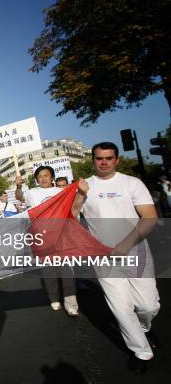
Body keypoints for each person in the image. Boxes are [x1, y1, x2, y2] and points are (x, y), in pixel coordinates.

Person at [72, 142, 160, 373]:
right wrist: (81, 195)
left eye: (109, 158)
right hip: (103, 258)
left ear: (116, 160)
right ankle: (141, 352)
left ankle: (144, 327)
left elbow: (149, 217)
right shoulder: (85, 186)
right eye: (99, 158)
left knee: (147, 305)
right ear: (93, 159)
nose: (104, 162)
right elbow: (71, 217)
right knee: (121, 309)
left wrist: (125, 244)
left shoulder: (132, 183)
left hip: (136, 252)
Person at [16, 166, 79, 317]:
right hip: (42, 238)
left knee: (67, 271)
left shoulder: (61, 192)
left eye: (46, 175)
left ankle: (71, 303)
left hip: (62, 237)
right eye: (40, 176)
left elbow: (73, 208)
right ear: (37, 179)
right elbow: (19, 197)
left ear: (52, 177)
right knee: (49, 271)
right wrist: (18, 185)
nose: (43, 178)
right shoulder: (32, 193)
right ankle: (54, 298)